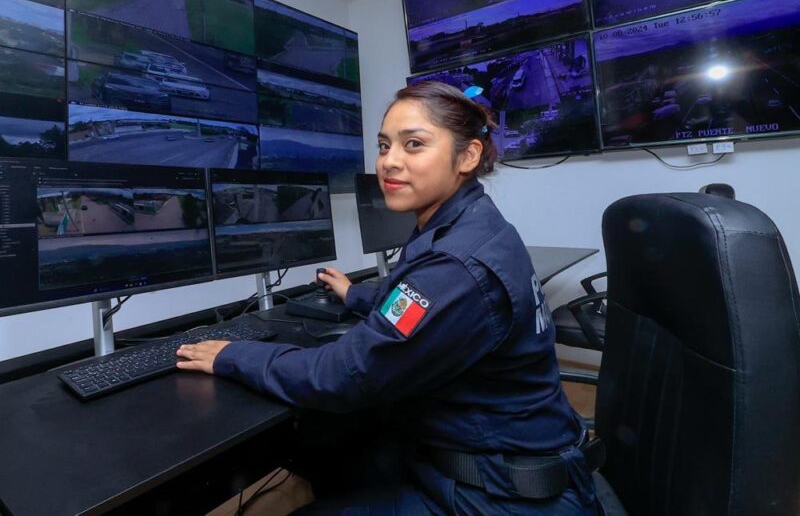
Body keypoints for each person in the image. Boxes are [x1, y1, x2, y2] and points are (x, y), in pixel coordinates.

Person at [177, 81, 602, 514]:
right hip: (508, 460)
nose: (388, 162)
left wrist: (234, 355)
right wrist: (355, 294)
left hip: (498, 497)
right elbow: (417, 301)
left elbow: (341, 374)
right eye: (384, 146)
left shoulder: (454, 266)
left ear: (468, 156)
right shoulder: (473, 223)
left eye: (413, 144)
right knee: (334, 453)